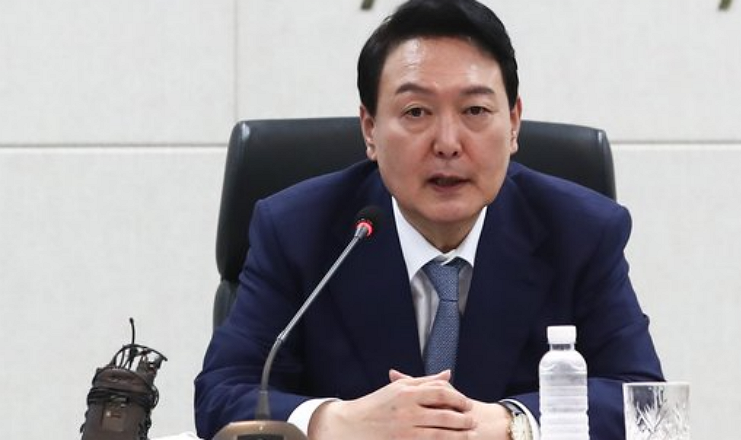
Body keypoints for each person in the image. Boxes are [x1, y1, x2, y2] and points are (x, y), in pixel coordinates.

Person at [194, 0, 664, 439]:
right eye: (416, 111)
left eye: (475, 110)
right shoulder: (298, 230)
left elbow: (642, 399)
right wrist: (338, 421)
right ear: (370, 130)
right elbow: (222, 392)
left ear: (513, 123)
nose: (447, 143)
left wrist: (509, 423)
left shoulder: (580, 230)